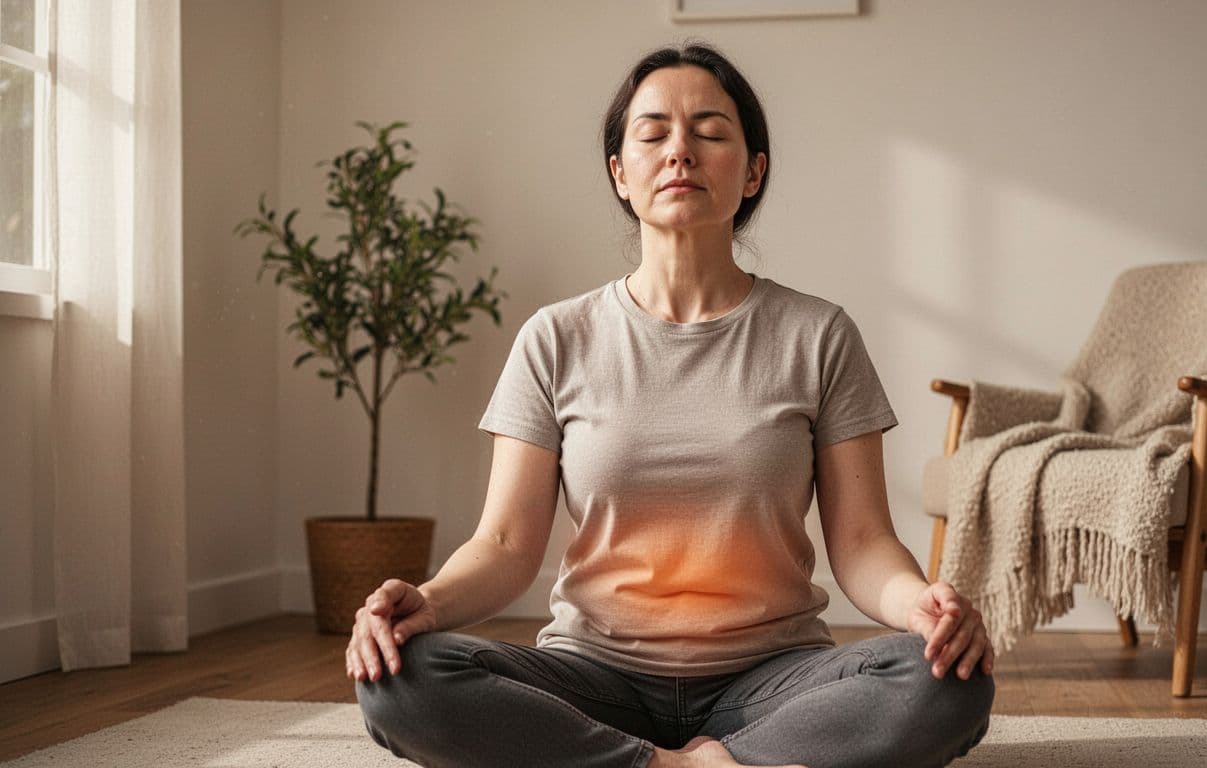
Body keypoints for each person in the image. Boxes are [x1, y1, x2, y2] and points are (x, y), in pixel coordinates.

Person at [351, 42, 994, 768]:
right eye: (653, 134)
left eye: (710, 132)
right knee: (401, 674)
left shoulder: (820, 335)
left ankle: (651, 760)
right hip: (592, 677)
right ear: (620, 174)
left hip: (771, 678)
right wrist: (429, 602)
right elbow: (504, 545)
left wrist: (920, 606)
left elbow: (863, 541)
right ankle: (690, 764)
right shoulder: (554, 338)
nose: (680, 151)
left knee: (946, 680)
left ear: (753, 172)